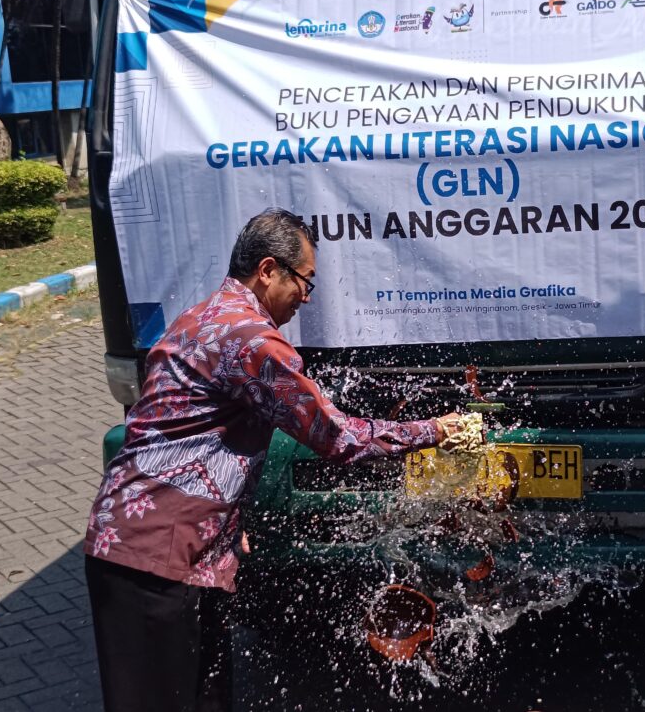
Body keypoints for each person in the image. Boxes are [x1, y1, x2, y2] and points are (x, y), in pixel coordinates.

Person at [83, 208, 464, 711]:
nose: (307, 297)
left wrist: (226, 519)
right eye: (304, 281)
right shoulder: (252, 340)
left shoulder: (203, 315)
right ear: (267, 270)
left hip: (169, 546)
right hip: (156, 558)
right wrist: (435, 430)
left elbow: (186, 433)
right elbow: (336, 436)